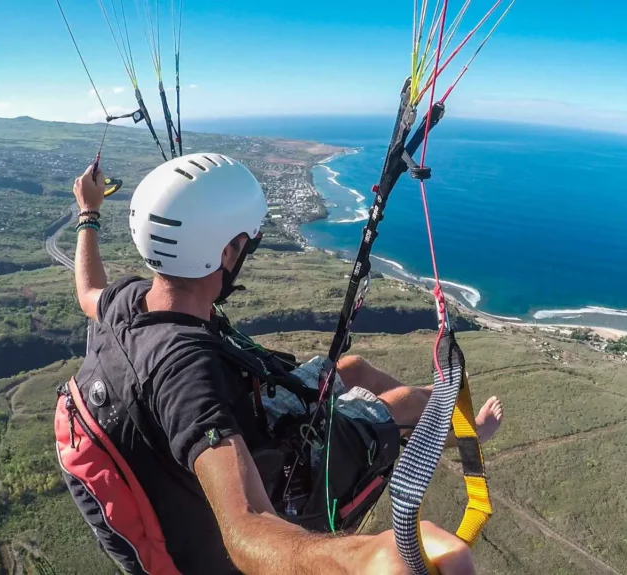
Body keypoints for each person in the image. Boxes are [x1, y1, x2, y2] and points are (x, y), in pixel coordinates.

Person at [60, 153, 504, 575]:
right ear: (229, 252)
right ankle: (465, 436)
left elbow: (87, 292)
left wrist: (89, 213)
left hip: (242, 416)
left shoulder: (129, 300)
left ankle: (438, 426)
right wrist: (360, 560)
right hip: (277, 466)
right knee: (409, 400)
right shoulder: (185, 377)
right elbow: (245, 524)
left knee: (351, 368)